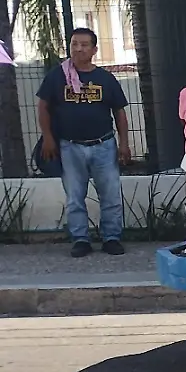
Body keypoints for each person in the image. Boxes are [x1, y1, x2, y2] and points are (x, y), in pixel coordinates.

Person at [36, 27, 132, 257]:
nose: (78, 49)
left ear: (94, 49)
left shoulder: (105, 79)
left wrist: (124, 143)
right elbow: (43, 107)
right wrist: (48, 138)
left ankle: (111, 238)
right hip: (69, 146)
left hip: (104, 146)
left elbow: (119, 112)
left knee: (110, 194)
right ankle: (80, 239)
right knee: (75, 196)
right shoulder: (57, 76)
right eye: (74, 44)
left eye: (84, 45)